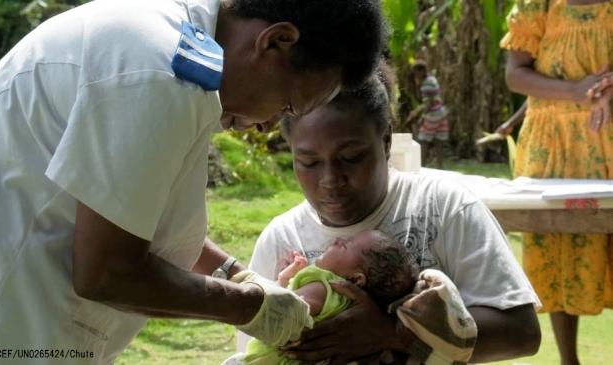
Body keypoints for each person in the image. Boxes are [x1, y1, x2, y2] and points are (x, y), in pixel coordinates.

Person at [0, 0, 386, 363]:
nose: (266, 127)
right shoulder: (159, 72)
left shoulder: (180, 52)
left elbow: (128, 210)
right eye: (287, 106)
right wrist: (252, 307)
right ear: (276, 41)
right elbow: (105, 272)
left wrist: (237, 274)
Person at [242, 66, 542, 364]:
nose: (331, 179)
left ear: (385, 140)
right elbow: (256, 349)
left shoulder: (444, 208)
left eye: (351, 158)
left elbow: (522, 333)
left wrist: (393, 333)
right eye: (309, 162)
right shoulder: (282, 239)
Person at [500, 1, 613, 364]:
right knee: (558, 247)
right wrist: (575, 90)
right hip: (551, 147)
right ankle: (569, 360)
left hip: (607, 135)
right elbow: (515, 75)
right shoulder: (539, 6)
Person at [227, 230, 418, 364]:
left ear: (356, 279)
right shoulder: (351, 305)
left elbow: (284, 312)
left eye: (345, 245)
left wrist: (238, 284)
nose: (337, 240)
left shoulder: (325, 287)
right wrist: (285, 279)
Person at [406, 60, 449, 168]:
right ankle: (440, 167)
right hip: (441, 113)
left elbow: (429, 104)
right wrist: (416, 112)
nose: (415, 75)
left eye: (416, 72)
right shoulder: (432, 79)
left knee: (423, 141)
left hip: (432, 115)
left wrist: (423, 117)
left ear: (422, 71)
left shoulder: (426, 84)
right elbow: (433, 100)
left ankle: (421, 166)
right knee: (438, 141)